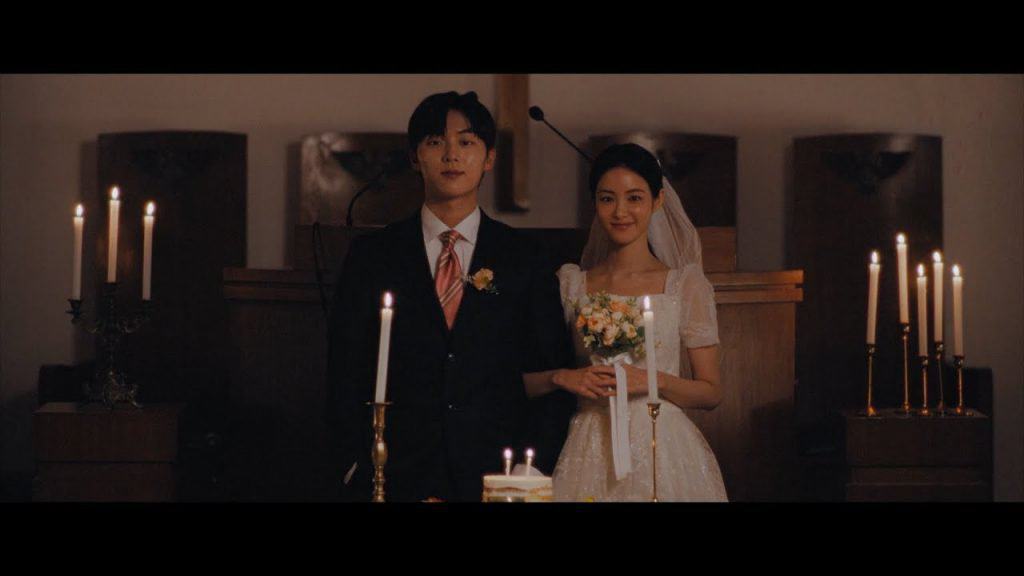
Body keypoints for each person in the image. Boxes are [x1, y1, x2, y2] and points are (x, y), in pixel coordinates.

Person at [325, 91, 575, 502]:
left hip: (497, 472)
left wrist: (528, 472)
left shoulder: (524, 258)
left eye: (466, 142)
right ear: (415, 157)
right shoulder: (374, 256)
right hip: (395, 472)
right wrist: (356, 463)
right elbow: (345, 369)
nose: (451, 155)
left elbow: (552, 373)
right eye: (436, 141)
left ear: (489, 158)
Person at [523, 143, 728, 501]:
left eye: (634, 198)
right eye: (607, 199)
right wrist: (565, 377)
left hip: (661, 443)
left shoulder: (684, 285)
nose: (620, 212)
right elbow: (525, 382)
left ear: (657, 200)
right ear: (595, 203)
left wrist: (649, 381)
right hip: (589, 442)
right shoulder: (571, 284)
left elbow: (711, 392)